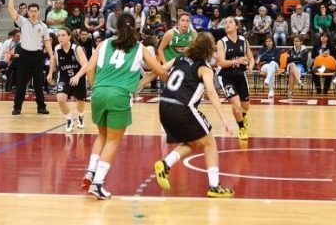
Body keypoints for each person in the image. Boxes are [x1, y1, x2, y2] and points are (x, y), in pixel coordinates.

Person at [74, 12, 168, 200]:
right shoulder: (140, 48)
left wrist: (94, 86)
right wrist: (170, 83)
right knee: (113, 140)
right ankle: (98, 184)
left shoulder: (103, 44)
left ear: (116, 28)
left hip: (98, 93)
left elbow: (90, 69)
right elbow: (158, 70)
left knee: (102, 135)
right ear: (135, 28)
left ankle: (90, 173)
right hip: (119, 95)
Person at [153, 32, 235, 198]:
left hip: (164, 106)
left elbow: (159, 70)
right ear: (209, 50)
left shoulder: (180, 59)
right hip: (183, 108)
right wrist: (224, 118)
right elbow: (211, 93)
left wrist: (137, 85)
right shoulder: (204, 68)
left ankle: (165, 164)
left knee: (192, 142)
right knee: (210, 143)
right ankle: (214, 186)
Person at [7, 0, 54, 116]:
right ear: (28, 12)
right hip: (24, 55)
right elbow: (11, 10)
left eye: (35, 11)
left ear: (38, 12)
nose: (33, 13)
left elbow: (46, 41)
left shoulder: (43, 26)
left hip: (38, 55)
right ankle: (17, 107)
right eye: (31, 11)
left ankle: (41, 107)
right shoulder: (23, 22)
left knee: (38, 82)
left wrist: (51, 55)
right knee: (21, 82)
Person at [216, 16, 254, 141]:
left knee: (245, 106)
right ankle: (242, 128)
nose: (227, 24)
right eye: (225, 22)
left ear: (236, 26)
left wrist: (250, 66)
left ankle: (241, 116)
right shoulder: (221, 42)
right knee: (236, 103)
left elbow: (250, 57)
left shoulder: (243, 40)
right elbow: (220, 62)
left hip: (240, 74)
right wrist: (237, 61)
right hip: (226, 76)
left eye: (230, 22)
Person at [47, 27, 89, 133]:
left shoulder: (76, 48)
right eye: (59, 35)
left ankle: (80, 116)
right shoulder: (57, 48)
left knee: (80, 100)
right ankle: (69, 119)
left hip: (78, 75)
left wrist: (77, 76)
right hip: (64, 76)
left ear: (69, 36)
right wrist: (50, 72)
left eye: (63, 35)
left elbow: (86, 65)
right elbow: (53, 60)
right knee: (60, 98)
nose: (60, 38)